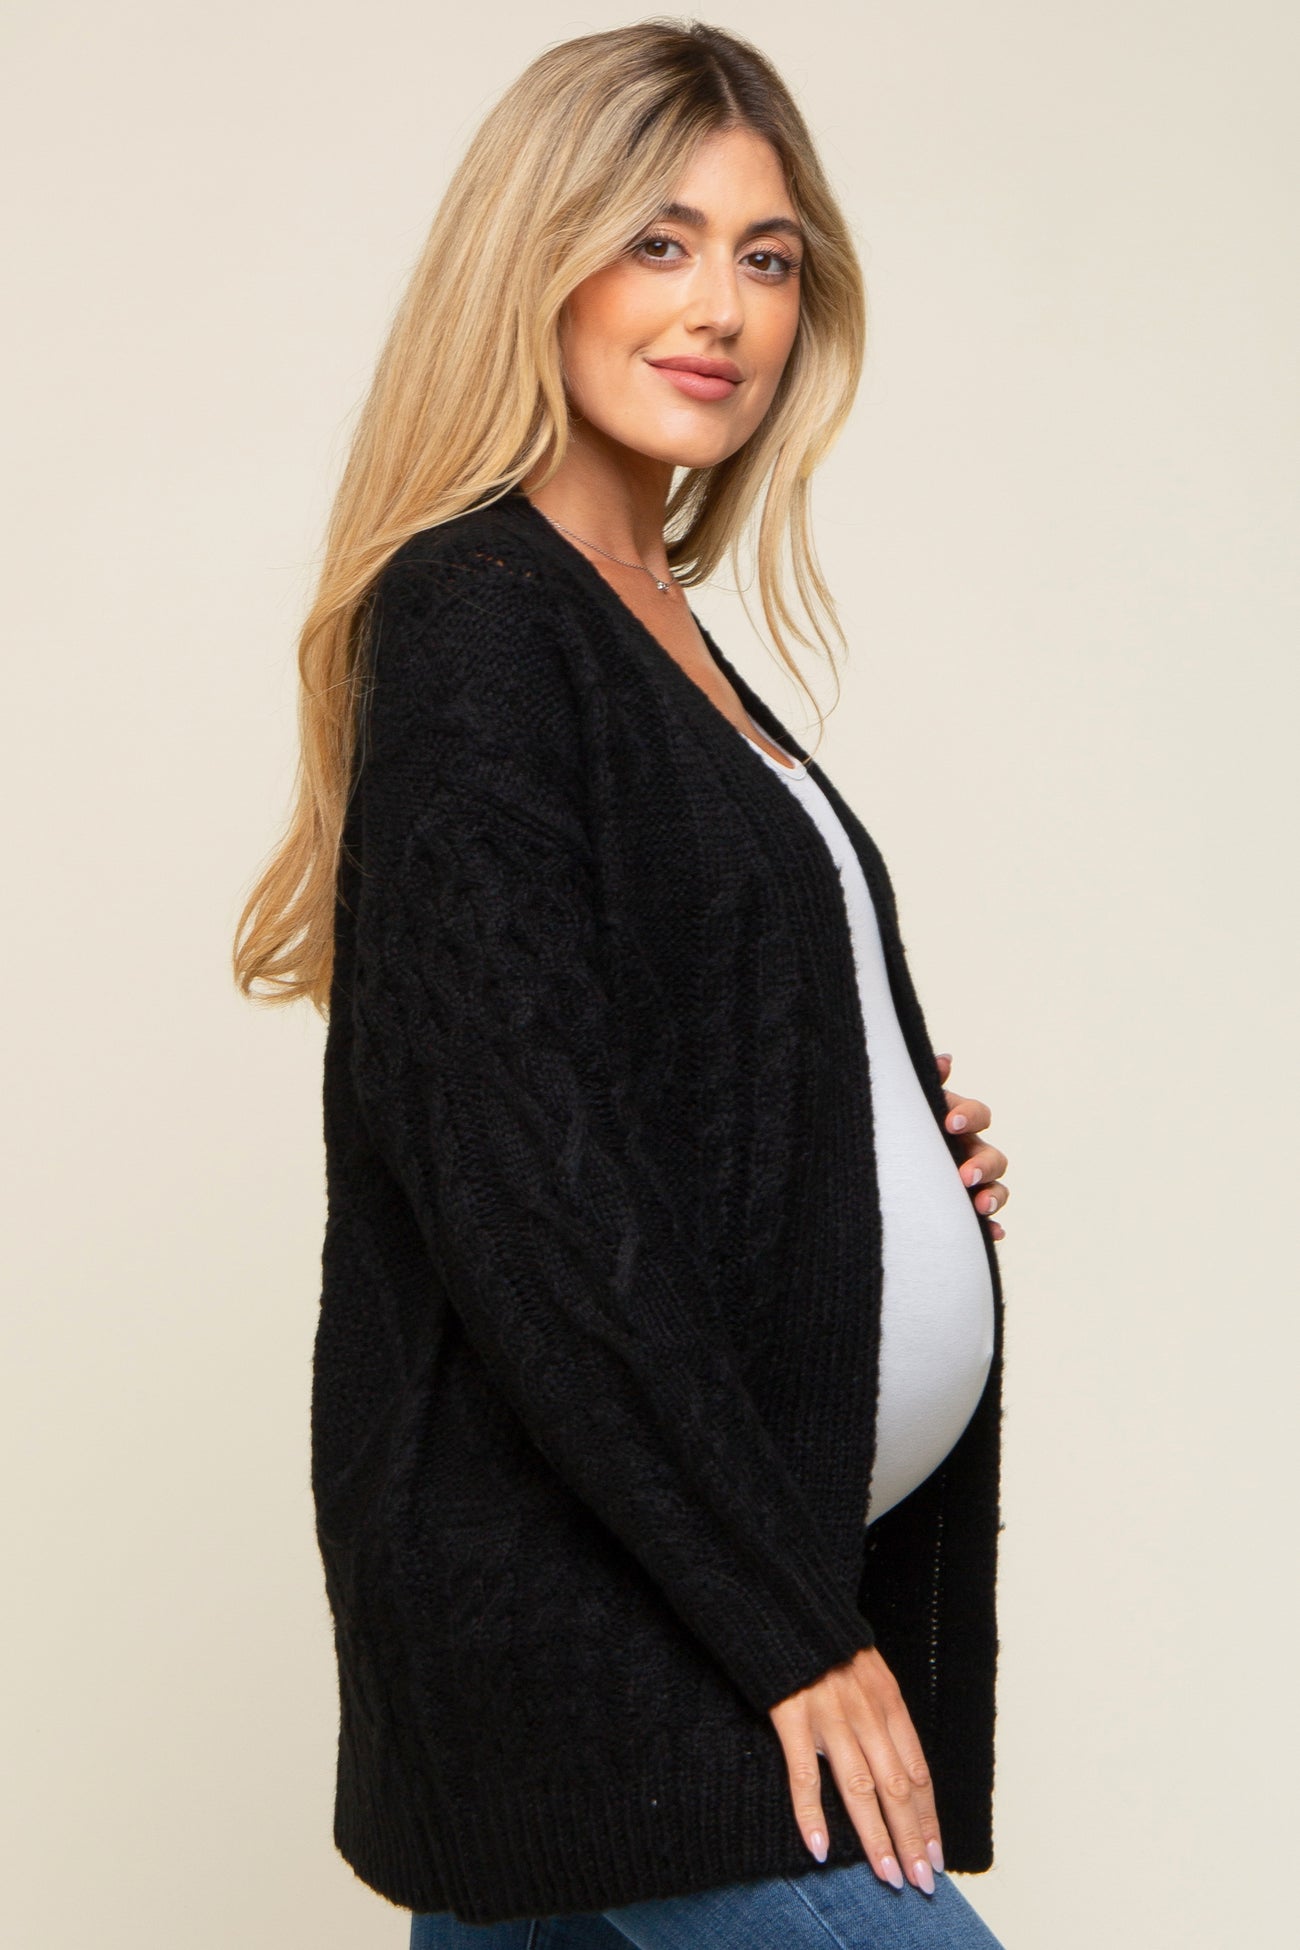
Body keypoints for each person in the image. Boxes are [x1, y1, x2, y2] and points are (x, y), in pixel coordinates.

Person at [233, 19, 1011, 1948]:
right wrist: (789, 1629)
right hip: (628, 1616)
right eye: (659, 240)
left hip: (684, 1582)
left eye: (768, 255)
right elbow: (528, 1193)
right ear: (539, 260)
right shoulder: (481, 617)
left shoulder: (656, 623)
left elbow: (641, 1069)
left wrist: (875, 1164)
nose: (722, 307)